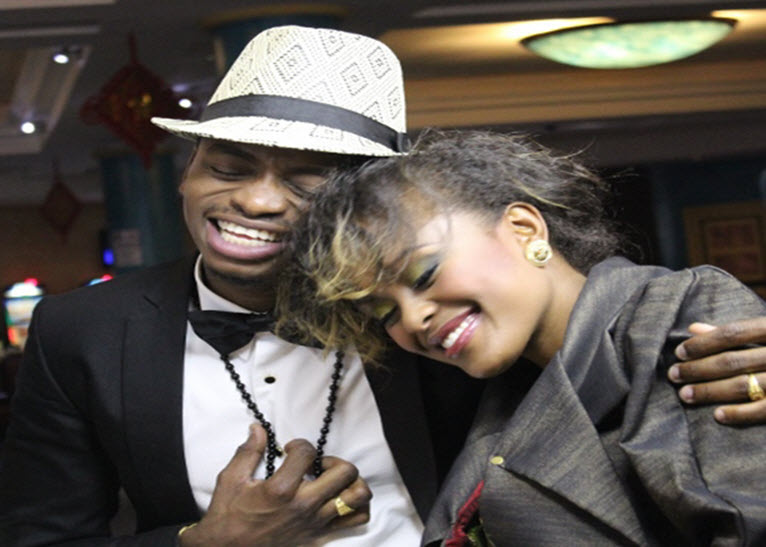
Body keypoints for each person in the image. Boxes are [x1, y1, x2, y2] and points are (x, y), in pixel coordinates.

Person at [0, 25, 762, 547]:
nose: (257, 201)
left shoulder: (442, 323)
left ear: (366, 204)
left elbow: (619, 347)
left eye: (306, 183)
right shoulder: (81, 332)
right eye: (227, 167)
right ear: (187, 173)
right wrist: (207, 541)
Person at [278, 129, 766, 546]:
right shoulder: (497, 404)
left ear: (524, 228)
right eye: (385, 313)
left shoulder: (678, 314)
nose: (413, 318)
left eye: (424, 274)